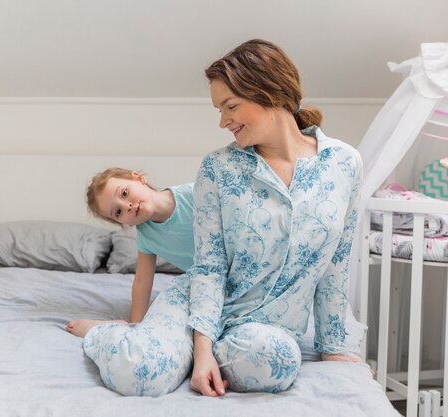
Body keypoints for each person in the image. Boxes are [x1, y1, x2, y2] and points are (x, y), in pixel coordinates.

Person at [80, 39, 363, 397]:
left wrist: (333, 349)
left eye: (230, 106)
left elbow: (335, 265)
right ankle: (107, 334)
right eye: (219, 109)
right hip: (197, 305)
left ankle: (195, 352)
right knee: (141, 375)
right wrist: (201, 352)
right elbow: (209, 266)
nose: (222, 121)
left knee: (275, 363)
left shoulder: (344, 164)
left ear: (270, 92)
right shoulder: (218, 168)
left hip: (267, 330)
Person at [65, 167, 195, 337]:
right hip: (210, 284)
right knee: (170, 327)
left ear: (138, 178)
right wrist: (137, 324)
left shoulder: (195, 194)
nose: (127, 206)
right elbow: (142, 280)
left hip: (235, 273)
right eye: (118, 212)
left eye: (124, 193)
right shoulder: (146, 238)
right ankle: (117, 330)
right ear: (124, 223)